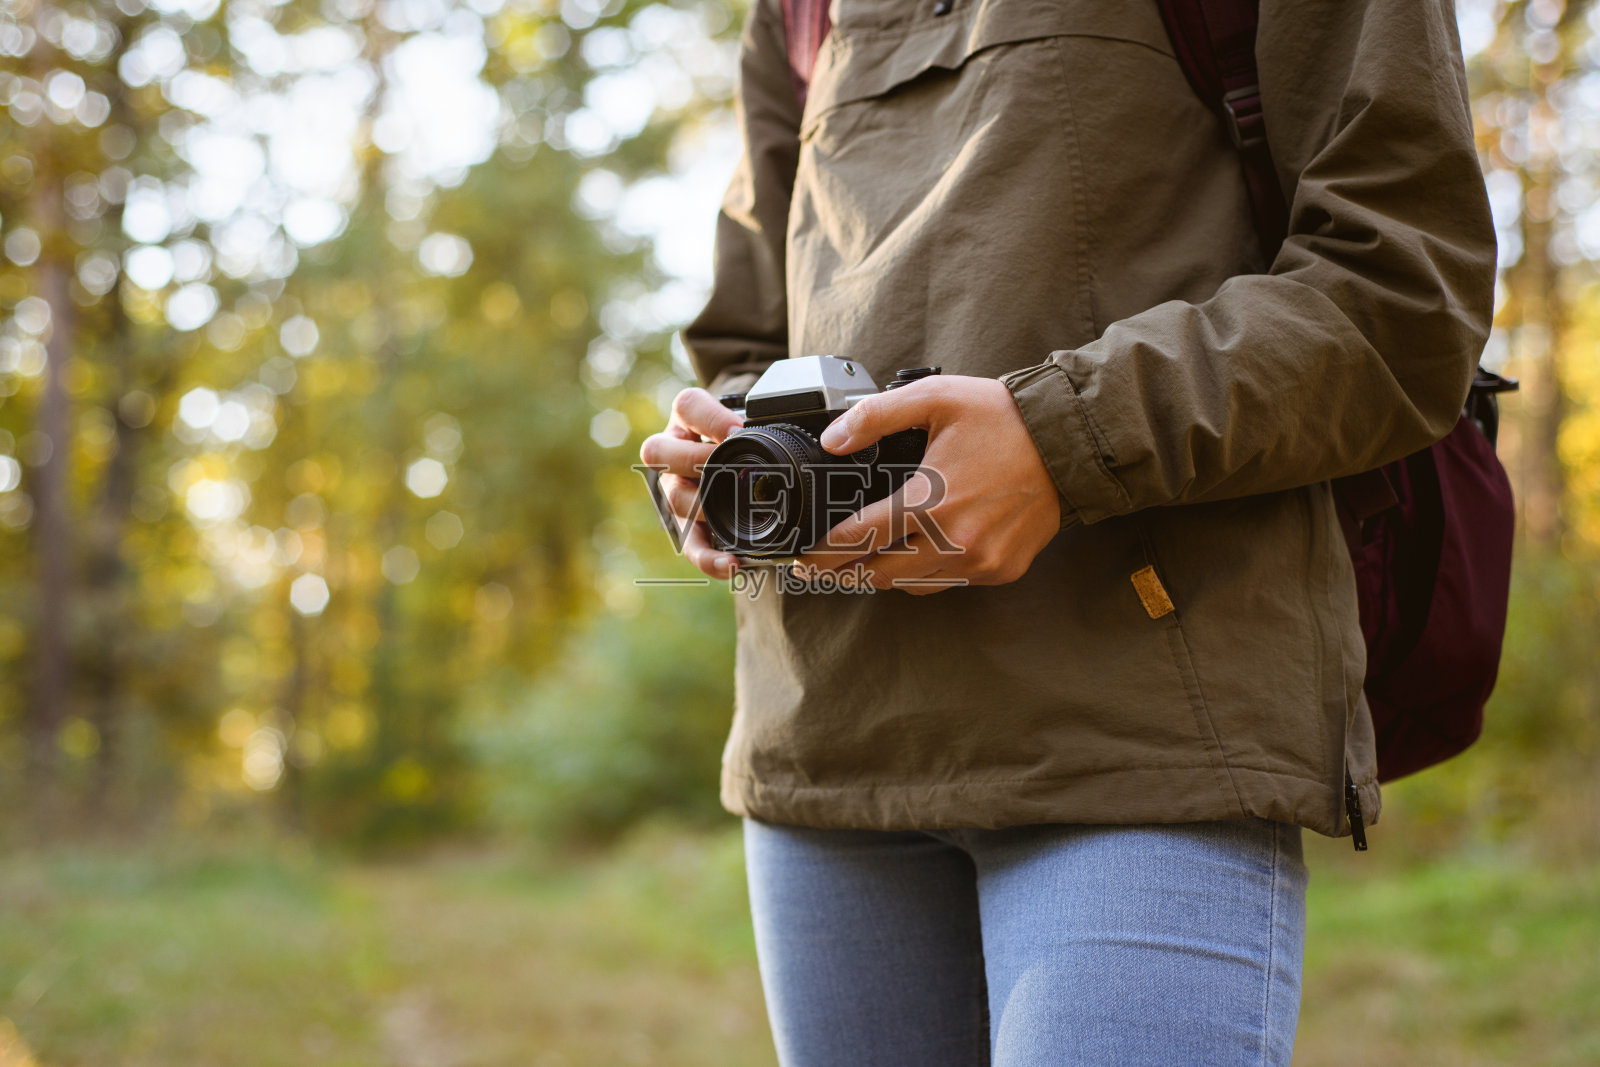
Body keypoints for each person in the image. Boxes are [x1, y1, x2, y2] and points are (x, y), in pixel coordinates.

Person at [639, 0, 1495, 1062]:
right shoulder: (794, 12)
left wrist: (1058, 437)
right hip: (825, 745)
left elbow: (1401, 288)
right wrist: (724, 457)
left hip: (1138, 734)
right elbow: (743, 336)